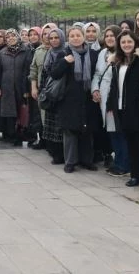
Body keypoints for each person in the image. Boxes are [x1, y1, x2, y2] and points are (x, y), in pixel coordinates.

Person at [50, 26, 100, 173]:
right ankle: (70, 161)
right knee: (70, 131)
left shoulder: (93, 54)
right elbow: (54, 74)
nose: (76, 38)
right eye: (72, 36)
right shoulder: (63, 53)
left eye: (78, 35)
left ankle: (87, 160)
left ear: (84, 37)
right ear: (68, 38)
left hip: (88, 98)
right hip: (69, 99)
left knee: (87, 131)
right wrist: (65, 62)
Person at [108, 30, 139, 187]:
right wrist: (111, 106)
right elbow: (114, 85)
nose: (126, 45)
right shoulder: (118, 61)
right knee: (131, 143)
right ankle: (136, 175)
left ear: (135, 43)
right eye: (123, 42)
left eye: (129, 42)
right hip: (122, 108)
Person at [91, 25, 128, 176]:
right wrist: (95, 89)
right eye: (107, 36)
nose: (110, 38)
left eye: (113, 35)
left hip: (118, 97)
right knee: (111, 130)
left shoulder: (124, 54)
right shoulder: (103, 53)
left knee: (120, 131)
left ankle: (124, 164)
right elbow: (97, 74)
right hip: (105, 97)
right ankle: (118, 161)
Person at [0, 29, 31, 146]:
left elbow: (28, 70)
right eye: (8, 37)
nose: (10, 38)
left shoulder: (26, 51)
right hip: (7, 87)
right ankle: (11, 135)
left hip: (21, 87)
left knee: (21, 112)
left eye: (13, 36)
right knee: (9, 113)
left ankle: (20, 136)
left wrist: (26, 89)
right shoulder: (2, 53)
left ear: (17, 37)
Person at [41, 28, 66, 164]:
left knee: (59, 127)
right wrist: (42, 91)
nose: (54, 40)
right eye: (51, 38)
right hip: (50, 93)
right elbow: (44, 74)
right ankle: (53, 151)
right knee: (50, 125)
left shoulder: (66, 52)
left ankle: (60, 154)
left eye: (57, 38)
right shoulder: (48, 53)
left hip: (61, 95)